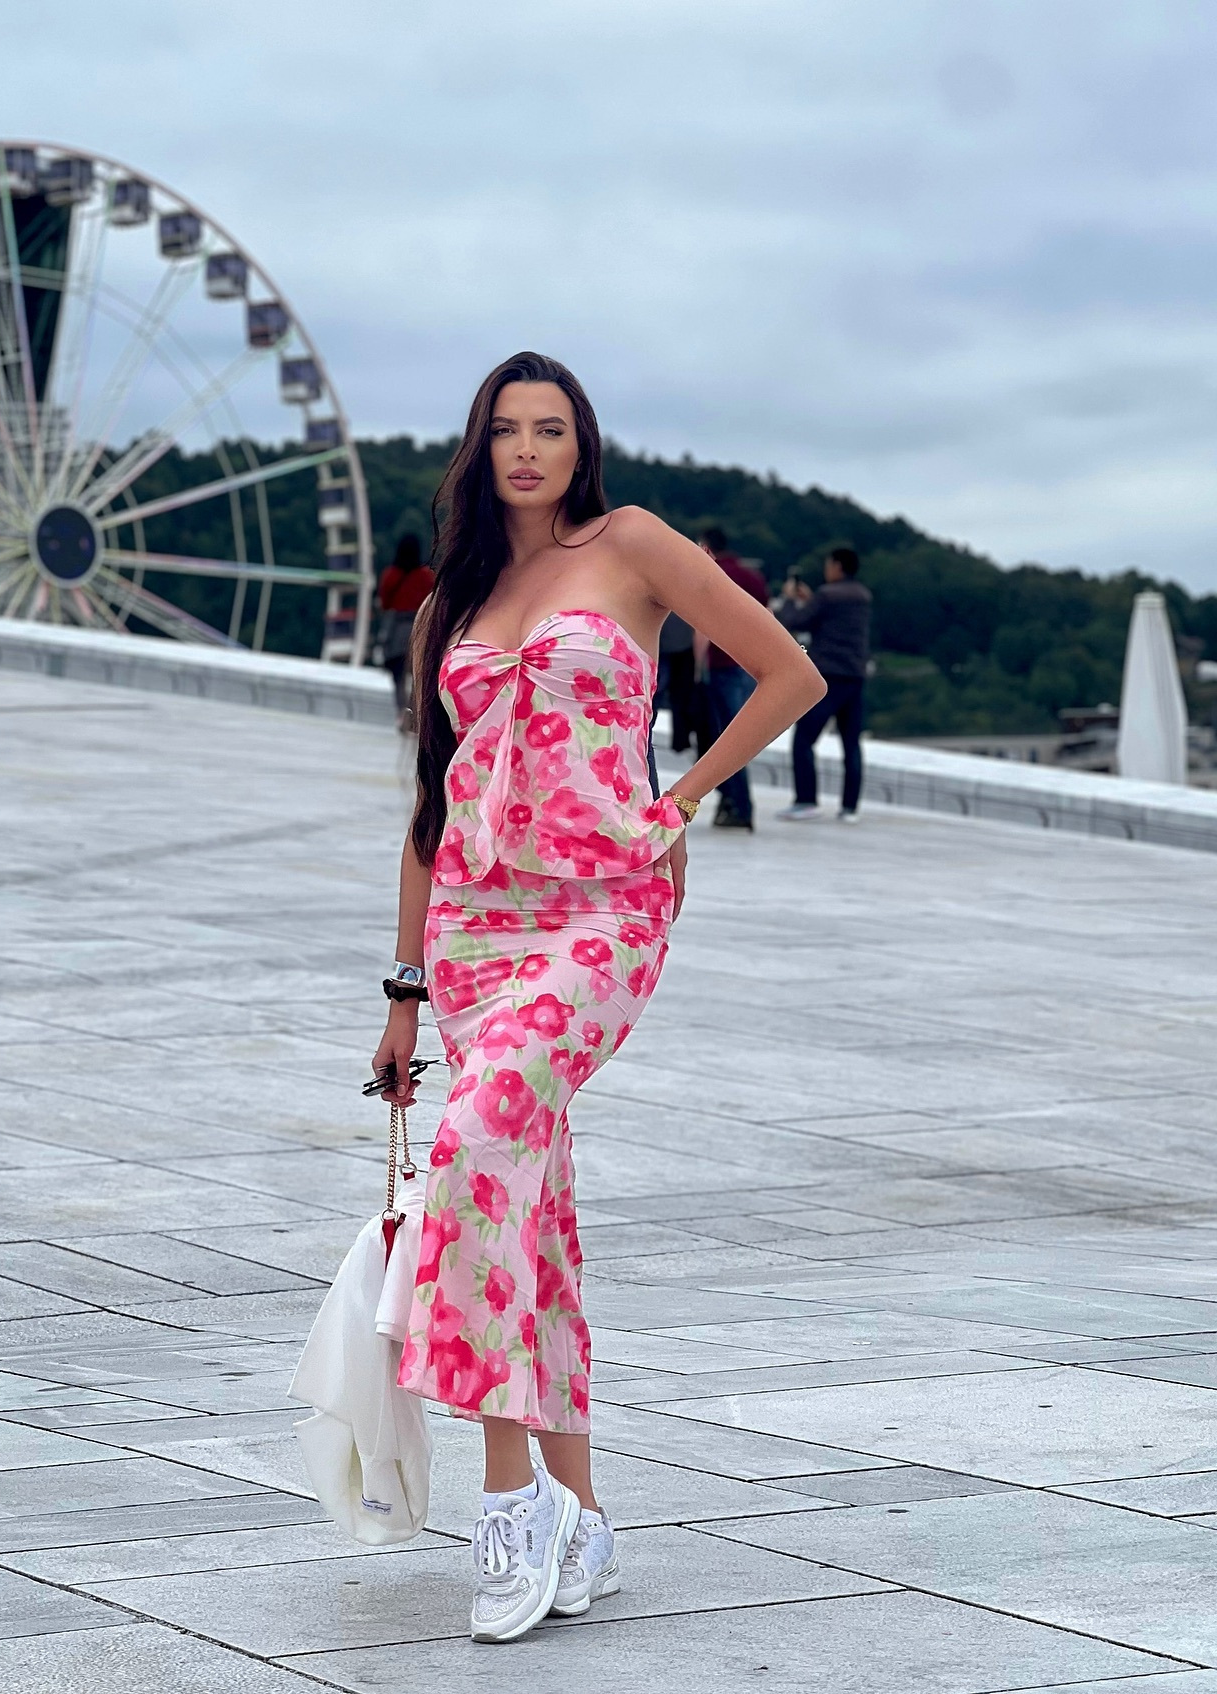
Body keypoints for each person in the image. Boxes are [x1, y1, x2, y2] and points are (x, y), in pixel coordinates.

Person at [371, 351, 824, 1645]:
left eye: (551, 429)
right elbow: (428, 808)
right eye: (507, 430)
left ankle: (507, 1501)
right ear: (480, 448)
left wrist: (678, 802)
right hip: (475, 927)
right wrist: (403, 993)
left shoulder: (630, 545)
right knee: (530, 1206)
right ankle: (584, 1513)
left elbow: (790, 674)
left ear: (583, 446)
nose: (528, 450)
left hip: (603, 912)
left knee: (475, 1146)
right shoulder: (450, 603)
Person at [776, 545, 872, 821]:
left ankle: (806, 800)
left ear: (838, 566)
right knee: (851, 744)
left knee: (804, 739)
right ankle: (849, 807)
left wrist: (790, 599)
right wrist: (812, 600)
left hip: (829, 675)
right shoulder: (863, 596)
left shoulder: (828, 595)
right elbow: (832, 619)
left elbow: (794, 621)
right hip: (855, 675)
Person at [694, 526, 770, 831]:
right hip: (751, 665)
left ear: (706, 546)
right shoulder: (753, 577)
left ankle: (738, 805)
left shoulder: (712, 575)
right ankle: (737, 803)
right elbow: (768, 618)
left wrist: (697, 669)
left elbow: (702, 626)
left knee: (725, 740)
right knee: (743, 736)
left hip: (723, 664)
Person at [376, 533, 436, 730]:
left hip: (396, 630)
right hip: (420, 627)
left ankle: (401, 713)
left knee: (398, 675)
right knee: (418, 674)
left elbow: (385, 603)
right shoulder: (426, 576)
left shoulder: (390, 575)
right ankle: (414, 712)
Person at [656, 609, 700, 752]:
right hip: (677, 644)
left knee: (662, 694)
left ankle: (680, 739)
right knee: (677, 695)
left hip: (669, 644)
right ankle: (680, 740)